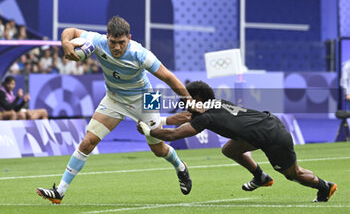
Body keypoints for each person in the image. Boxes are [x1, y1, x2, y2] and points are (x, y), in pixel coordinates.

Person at [36, 16, 193, 204]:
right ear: (107, 37)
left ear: (129, 38)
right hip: (114, 98)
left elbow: (168, 76)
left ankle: (180, 167)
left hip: (146, 97)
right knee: (88, 142)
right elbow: (70, 30)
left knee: (158, 149)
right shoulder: (97, 41)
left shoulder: (141, 54)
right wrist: (66, 43)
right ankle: (60, 191)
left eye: (121, 43)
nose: (116, 47)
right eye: (113, 42)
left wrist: (189, 100)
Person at [137, 81, 338, 202]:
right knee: (230, 149)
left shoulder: (205, 116)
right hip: (265, 125)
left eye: (187, 99)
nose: (184, 102)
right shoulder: (216, 104)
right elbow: (184, 117)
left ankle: (324, 187)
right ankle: (260, 177)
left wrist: (149, 131)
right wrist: (159, 121)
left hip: (272, 138)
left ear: (197, 98)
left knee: (293, 174)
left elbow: (174, 135)